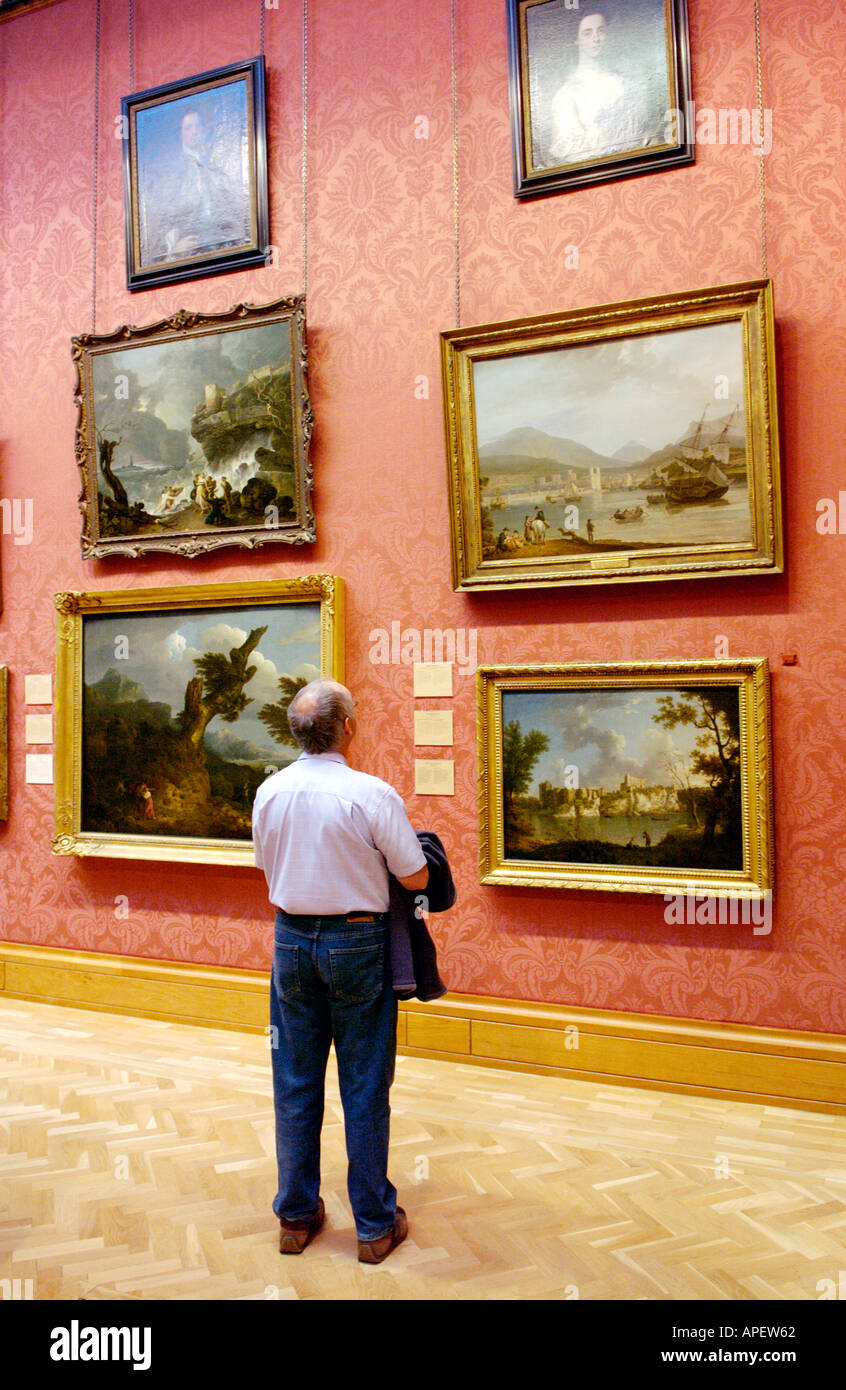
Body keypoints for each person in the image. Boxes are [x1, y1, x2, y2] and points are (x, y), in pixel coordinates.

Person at [252, 678, 428, 1263]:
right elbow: (416, 878)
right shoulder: (372, 794)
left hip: (290, 942)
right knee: (364, 1084)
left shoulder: (269, 792)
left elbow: (266, 864)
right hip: (358, 942)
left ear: (296, 732)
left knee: (295, 1083)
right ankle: (375, 1228)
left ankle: (296, 1218)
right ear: (348, 727)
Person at [141, 106, 249, 265]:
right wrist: (173, 248)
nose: (194, 131)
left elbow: (232, 206)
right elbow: (164, 217)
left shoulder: (217, 163)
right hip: (189, 244)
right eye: (188, 127)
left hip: (219, 240)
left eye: (198, 126)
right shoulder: (172, 170)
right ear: (181, 133)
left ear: (204, 129)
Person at [547, 11, 657, 166]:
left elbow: (646, 133)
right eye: (587, 33)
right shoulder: (566, 95)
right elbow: (569, 151)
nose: (596, 38)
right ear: (576, 39)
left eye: (601, 31)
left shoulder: (625, 83)